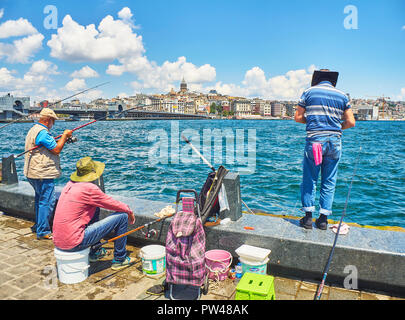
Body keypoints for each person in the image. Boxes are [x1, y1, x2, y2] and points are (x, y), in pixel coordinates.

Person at [294, 69, 355, 230]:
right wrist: (337, 127)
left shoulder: (309, 92)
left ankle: (307, 218)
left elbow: (298, 117)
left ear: (317, 79)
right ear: (332, 81)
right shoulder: (342, 95)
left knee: (310, 178)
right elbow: (351, 122)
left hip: (316, 143)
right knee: (329, 180)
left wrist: (313, 121)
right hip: (334, 143)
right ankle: (323, 220)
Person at [52, 156, 136, 270]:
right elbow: (111, 203)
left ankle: (95, 251)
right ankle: (120, 259)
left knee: (94, 208)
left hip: (58, 241)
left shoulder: (69, 184)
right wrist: (129, 211)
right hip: (75, 242)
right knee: (122, 216)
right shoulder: (89, 188)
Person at [24, 108, 72, 240]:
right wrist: (64, 136)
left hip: (32, 172)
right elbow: (56, 149)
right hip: (42, 173)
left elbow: (46, 146)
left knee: (40, 200)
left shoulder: (34, 129)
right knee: (47, 201)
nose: (53, 124)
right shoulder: (43, 133)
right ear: (49, 120)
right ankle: (43, 231)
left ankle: (39, 226)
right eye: (53, 121)